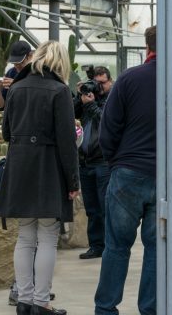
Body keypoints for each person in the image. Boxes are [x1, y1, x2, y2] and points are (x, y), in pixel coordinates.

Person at [0, 40, 80, 315]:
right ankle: (42, 303)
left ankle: (24, 301)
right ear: (61, 63)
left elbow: (7, 133)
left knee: (25, 237)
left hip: (19, 167)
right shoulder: (59, 90)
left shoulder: (16, 88)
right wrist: (73, 183)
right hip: (47, 170)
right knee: (47, 236)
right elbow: (67, 142)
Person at [95, 26, 157, 315]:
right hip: (166, 177)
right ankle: (151, 309)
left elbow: (108, 129)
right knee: (157, 249)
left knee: (117, 247)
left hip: (128, 173)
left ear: (147, 47)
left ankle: (106, 309)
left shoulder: (129, 79)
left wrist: (115, 162)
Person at [73, 66, 113, 260]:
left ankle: (110, 246)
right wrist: (79, 95)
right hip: (86, 161)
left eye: (102, 83)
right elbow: (71, 112)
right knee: (92, 208)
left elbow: (108, 122)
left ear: (110, 82)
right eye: (95, 83)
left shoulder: (112, 99)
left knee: (105, 206)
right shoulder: (89, 98)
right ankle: (96, 245)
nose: (98, 87)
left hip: (103, 162)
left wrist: (91, 105)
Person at [0, 40, 34, 111]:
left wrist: (17, 85)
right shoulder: (11, 73)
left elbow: (37, 97)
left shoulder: (38, 72)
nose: (16, 65)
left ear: (30, 56)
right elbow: (1, 106)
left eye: (20, 62)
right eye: (14, 62)